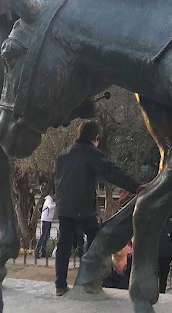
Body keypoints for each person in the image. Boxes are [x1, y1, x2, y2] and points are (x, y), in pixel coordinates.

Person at [53, 120, 144, 296]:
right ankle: (90, 275)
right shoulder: (90, 153)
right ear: (96, 138)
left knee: (64, 244)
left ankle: (60, 285)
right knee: (97, 239)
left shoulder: (63, 155)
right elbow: (112, 171)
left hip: (64, 206)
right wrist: (136, 186)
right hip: (83, 207)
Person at [157, 217, 172, 294]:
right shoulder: (153, 224)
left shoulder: (171, 226)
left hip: (166, 257)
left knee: (163, 279)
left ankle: (161, 294)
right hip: (153, 256)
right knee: (153, 278)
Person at [34, 191, 56, 259]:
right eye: (55, 196)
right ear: (52, 195)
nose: (56, 197)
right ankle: (37, 251)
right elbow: (51, 207)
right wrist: (57, 203)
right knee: (43, 235)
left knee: (47, 236)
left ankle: (43, 251)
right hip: (45, 220)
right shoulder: (48, 200)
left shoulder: (51, 200)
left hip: (49, 220)